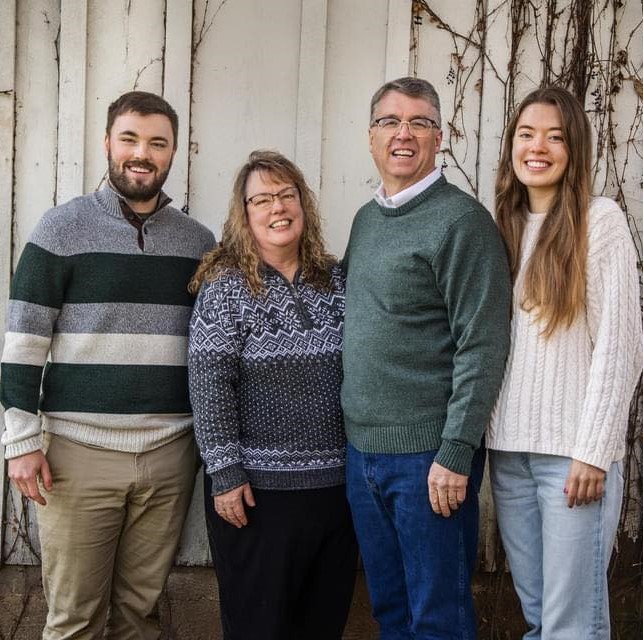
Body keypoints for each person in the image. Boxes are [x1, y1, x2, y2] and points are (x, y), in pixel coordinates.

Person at [0, 91, 215, 639]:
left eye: (157, 143)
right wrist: (21, 442)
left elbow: (212, 348)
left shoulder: (198, 242)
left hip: (170, 454)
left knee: (140, 616)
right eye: (130, 139)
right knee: (74, 618)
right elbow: (23, 342)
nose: (142, 153)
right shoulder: (60, 230)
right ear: (107, 144)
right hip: (77, 457)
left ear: (171, 154)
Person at [341, 76, 512, 639]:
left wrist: (456, 451)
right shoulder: (367, 220)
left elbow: (482, 343)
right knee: (391, 612)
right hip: (363, 452)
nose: (404, 133)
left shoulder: (462, 222)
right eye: (390, 121)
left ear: (441, 137)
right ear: (371, 137)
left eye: (420, 122)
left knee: (438, 618)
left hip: (428, 460)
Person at [488, 85, 643, 639]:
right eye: (527, 134)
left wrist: (595, 452)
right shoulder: (501, 226)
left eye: (555, 137)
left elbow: (620, 346)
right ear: (511, 145)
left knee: (571, 626)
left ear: (574, 149)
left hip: (572, 462)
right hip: (508, 454)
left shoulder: (598, 222)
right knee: (541, 619)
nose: (539, 147)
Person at [188, 150, 357, 640]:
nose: (277, 207)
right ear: (244, 215)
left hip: (335, 492)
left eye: (287, 195)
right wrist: (224, 472)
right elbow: (208, 383)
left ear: (304, 204)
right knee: (258, 626)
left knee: (321, 624)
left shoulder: (338, 281)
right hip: (256, 495)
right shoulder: (224, 289)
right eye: (261, 199)